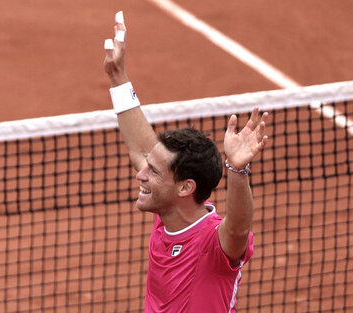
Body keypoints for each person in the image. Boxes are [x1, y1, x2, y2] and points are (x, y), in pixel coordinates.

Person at [103, 11, 268, 313]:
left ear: (184, 188)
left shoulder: (211, 241)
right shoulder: (166, 212)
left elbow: (238, 230)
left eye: (152, 171)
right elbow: (141, 148)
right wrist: (118, 77)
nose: (140, 174)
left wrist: (238, 170)